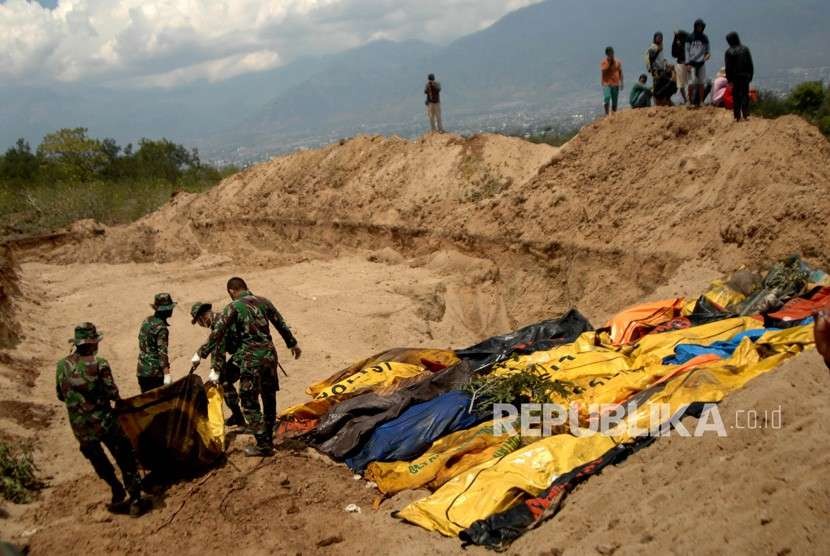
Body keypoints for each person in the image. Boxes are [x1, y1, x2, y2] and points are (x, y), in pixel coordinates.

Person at [202, 278, 302, 456]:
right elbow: (280, 324)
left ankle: (263, 444)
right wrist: (292, 344)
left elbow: (218, 334)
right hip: (270, 356)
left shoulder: (233, 307)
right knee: (269, 395)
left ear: (232, 290)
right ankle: (269, 435)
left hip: (250, 359)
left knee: (248, 400)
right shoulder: (264, 302)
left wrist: (200, 354)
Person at [56, 323, 146, 517]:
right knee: (125, 457)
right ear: (92, 344)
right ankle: (136, 500)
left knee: (98, 460)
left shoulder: (62, 366)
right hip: (105, 423)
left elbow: (60, 395)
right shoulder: (100, 364)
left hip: (80, 427)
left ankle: (116, 489)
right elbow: (112, 392)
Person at [190, 302, 246, 428]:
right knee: (224, 379)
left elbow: (218, 348)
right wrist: (199, 354)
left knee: (224, 380)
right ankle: (237, 416)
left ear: (202, 318)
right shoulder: (219, 319)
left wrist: (215, 370)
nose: (201, 325)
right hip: (242, 351)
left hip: (246, 352)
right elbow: (213, 341)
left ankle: (239, 418)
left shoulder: (219, 322)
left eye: (199, 322)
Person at [137, 293, 175, 393]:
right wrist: (167, 374)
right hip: (155, 375)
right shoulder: (161, 328)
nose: (171, 310)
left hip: (141, 371)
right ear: (165, 310)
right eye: (170, 308)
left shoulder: (146, 321)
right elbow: (162, 353)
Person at [725, 31, 754, 122]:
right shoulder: (745, 49)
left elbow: (728, 67)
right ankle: (745, 114)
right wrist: (750, 76)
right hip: (745, 76)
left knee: (736, 96)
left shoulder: (728, 52)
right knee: (745, 95)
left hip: (735, 77)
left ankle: (737, 116)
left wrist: (729, 79)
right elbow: (750, 64)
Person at [685, 19, 711, 107]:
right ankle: (689, 101)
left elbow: (708, 51)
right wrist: (687, 63)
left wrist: (707, 56)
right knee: (691, 82)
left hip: (701, 63)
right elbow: (687, 51)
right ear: (695, 26)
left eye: (701, 26)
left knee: (701, 82)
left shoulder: (705, 38)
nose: (699, 28)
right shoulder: (690, 37)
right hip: (691, 63)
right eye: (698, 26)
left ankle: (701, 101)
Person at [600, 47, 623, 115]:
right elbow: (603, 70)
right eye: (609, 53)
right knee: (607, 98)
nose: (611, 54)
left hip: (615, 83)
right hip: (606, 83)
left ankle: (613, 114)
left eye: (612, 53)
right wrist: (609, 63)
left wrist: (622, 82)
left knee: (614, 101)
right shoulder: (604, 62)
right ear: (607, 54)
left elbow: (620, 72)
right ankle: (607, 114)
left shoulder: (618, 62)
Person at [671, 29, 689, 104]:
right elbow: (674, 54)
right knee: (681, 84)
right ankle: (685, 99)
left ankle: (688, 98)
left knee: (689, 82)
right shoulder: (676, 43)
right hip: (680, 63)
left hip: (688, 64)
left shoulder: (688, 43)